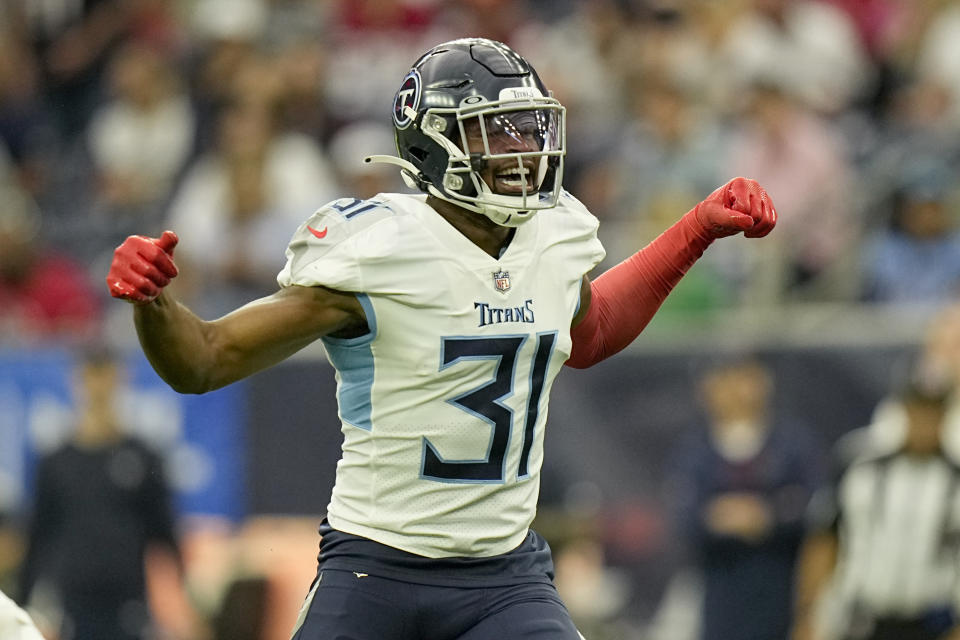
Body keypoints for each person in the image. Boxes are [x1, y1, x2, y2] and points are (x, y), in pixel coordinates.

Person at [106, 37, 776, 640]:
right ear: (433, 146)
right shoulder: (379, 251)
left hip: (504, 576)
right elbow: (203, 360)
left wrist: (696, 231)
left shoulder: (552, 236)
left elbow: (591, 330)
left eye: (528, 128)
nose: (524, 150)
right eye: (497, 133)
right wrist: (154, 303)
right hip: (376, 569)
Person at [18, 346, 185, 640]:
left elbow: (165, 532)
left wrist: (186, 594)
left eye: (105, 375)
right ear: (76, 381)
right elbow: (39, 536)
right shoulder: (56, 462)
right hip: (72, 604)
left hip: (128, 601)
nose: (98, 386)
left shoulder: (143, 457)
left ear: (121, 379)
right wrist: (22, 603)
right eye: (91, 376)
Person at [666, 356, 824, 640]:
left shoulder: (792, 445)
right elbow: (685, 517)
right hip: (720, 593)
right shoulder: (695, 452)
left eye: (744, 378)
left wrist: (767, 517)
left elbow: (814, 508)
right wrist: (719, 519)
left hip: (782, 589)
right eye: (725, 380)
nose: (736, 391)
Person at [791, 379, 960, 640]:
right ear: (903, 411)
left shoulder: (954, 479)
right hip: (862, 618)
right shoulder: (859, 466)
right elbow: (825, 540)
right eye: (918, 412)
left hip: (932, 621)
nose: (925, 424)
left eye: (933, 414)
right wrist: (808, 615)